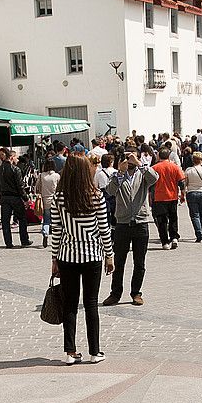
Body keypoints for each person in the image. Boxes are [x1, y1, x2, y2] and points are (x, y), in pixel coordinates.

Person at [51, 155, 114, 365]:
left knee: (70, 304)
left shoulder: (59, 198)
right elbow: (104, 229)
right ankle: (94, 351)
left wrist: (54, 258)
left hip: (67, 255)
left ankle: (70, 351)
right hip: (92, 255)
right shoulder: (96, 196)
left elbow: (57, 231)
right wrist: (109, 254)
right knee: (91, 304)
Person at [102, 153, 158, 307]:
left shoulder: (143, 174)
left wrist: (139, 163)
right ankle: (115, 293)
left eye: (131, 158)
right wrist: (120, 172)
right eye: (127, 159)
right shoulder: (117, 176)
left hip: (141, 222)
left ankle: (136, 293)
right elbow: (110, 191)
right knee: (119, 261)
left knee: (139, 262)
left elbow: (155, 178)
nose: (129, 161)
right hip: (122, 224)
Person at [0, 148, 32, 248]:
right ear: (11, 157)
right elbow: (20, 186)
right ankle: (24, 240)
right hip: (15, 197)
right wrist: (25, 199)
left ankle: (8, 242)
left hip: (4, 197)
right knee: (22, 219)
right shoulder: (16, 170)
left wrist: (1, 194)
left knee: (5, 221)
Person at [151, 148, 186, 249]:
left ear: (159, 156)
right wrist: (183, 194)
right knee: (173, 218)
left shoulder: (154, 168)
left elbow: (150, 184)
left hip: (159, 197)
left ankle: (164, 242)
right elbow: (181, 182)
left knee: (162, 220)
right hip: (172, 196)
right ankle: (174, 237)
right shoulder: (175, 167)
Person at [184, 151, 202, 242]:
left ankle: (199, 233)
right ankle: (200, 232)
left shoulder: (188, 170)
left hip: (191, 193)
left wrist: (183, 192)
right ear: (201, 160)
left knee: (194, 215)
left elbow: (185, 183)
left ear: (193, 160)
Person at [36, 159, 61, 248]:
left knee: (46, 220)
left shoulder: (41, 175)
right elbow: (60, 188)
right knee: (57, 221)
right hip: (55, 200)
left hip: (45, 200)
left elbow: (37, 187)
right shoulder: (57, 176)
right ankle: (57, 239)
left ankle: (45, 233)